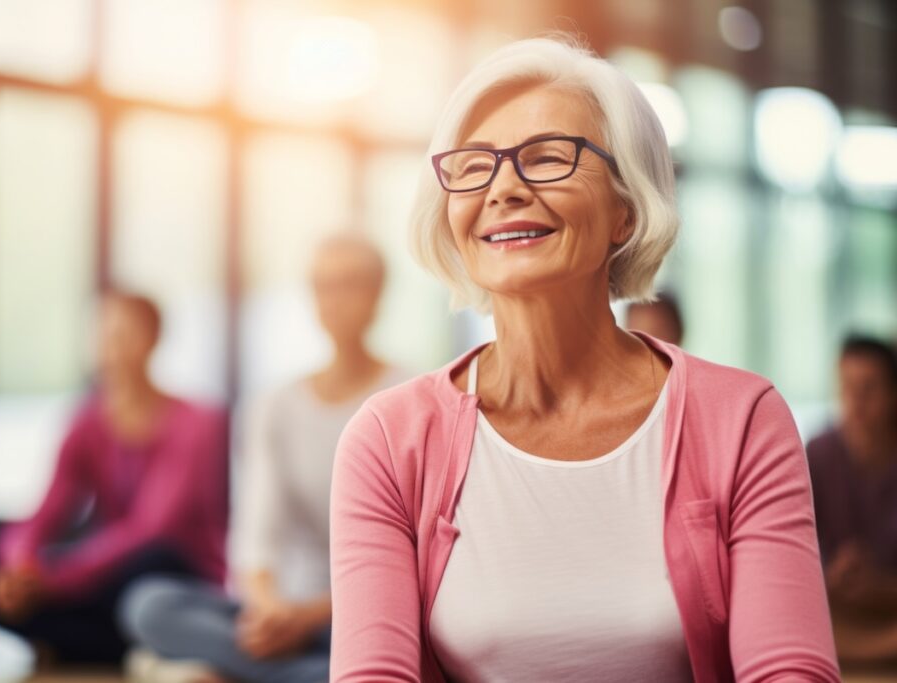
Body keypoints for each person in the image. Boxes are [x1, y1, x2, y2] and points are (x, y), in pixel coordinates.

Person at [329, 36, 840, 682]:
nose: (504, 187)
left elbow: (791, 672)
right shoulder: (388, 439)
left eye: (546, 158)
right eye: (475, 165)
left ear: (624, 210)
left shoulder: (741, 420)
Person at [119, 235, 407, 683]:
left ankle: (226, 669)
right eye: (324, 286)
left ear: (379, 294)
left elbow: (409, 559)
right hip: (279, 610)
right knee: (148, 604)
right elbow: (255, 535)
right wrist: (270, 608)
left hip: (364, 614)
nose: (336, 300)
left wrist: (307, 618)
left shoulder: (408, 399)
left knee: (396, 641)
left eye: (352, 284)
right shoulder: (273, 405)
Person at [0, 291, 229, 665]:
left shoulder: (196, 423)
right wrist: (20, 566)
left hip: (167, 575)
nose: (110, 349)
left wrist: (53, 580)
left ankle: (81, 642)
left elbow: (150, 528)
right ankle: (110, 646)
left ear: (154, 339)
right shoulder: (86, 422)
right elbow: (45, 512)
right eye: (101, 336)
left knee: (151, 565)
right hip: (98, 579)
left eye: (123, 335)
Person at [807, 334, 897, 668]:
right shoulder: (817, 453)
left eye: (869, 389)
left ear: (893, 393)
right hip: (837, 614)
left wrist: (880, 587)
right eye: (847, 387)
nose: (855, 402)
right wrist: (832, 573)